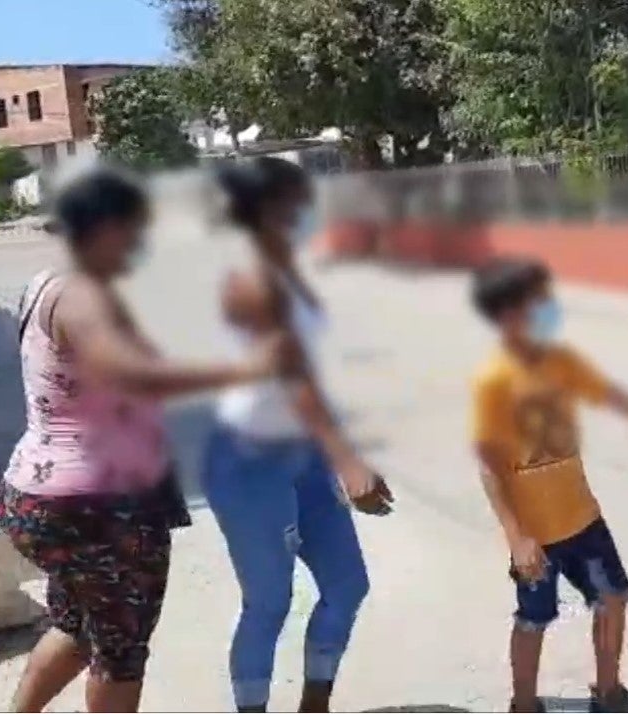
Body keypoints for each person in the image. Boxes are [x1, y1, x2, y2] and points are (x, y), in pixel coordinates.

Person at [0, 167, 292, 713]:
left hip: (43, 495)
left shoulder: (48, 283)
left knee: (78, 625)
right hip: (98, 507)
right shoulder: (87, 296)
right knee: (120, 651)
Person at [469, 257, 628, 713]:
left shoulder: (561, 363)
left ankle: (608, 692)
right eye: (539, 302)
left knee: (612, 599)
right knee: (533, 619)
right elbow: (491, 468)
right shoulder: (496, 382)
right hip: (536, 535)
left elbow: (619, 399)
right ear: (509, 315)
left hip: (582, 518)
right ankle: (524, 704)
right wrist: (518, 538)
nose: (549, 308)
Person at [202, 157, 394, 713]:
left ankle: (315, 705)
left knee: (346, 585)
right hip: (247, 460)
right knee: (268, 604)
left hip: (305, 454)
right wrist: (348, 459)